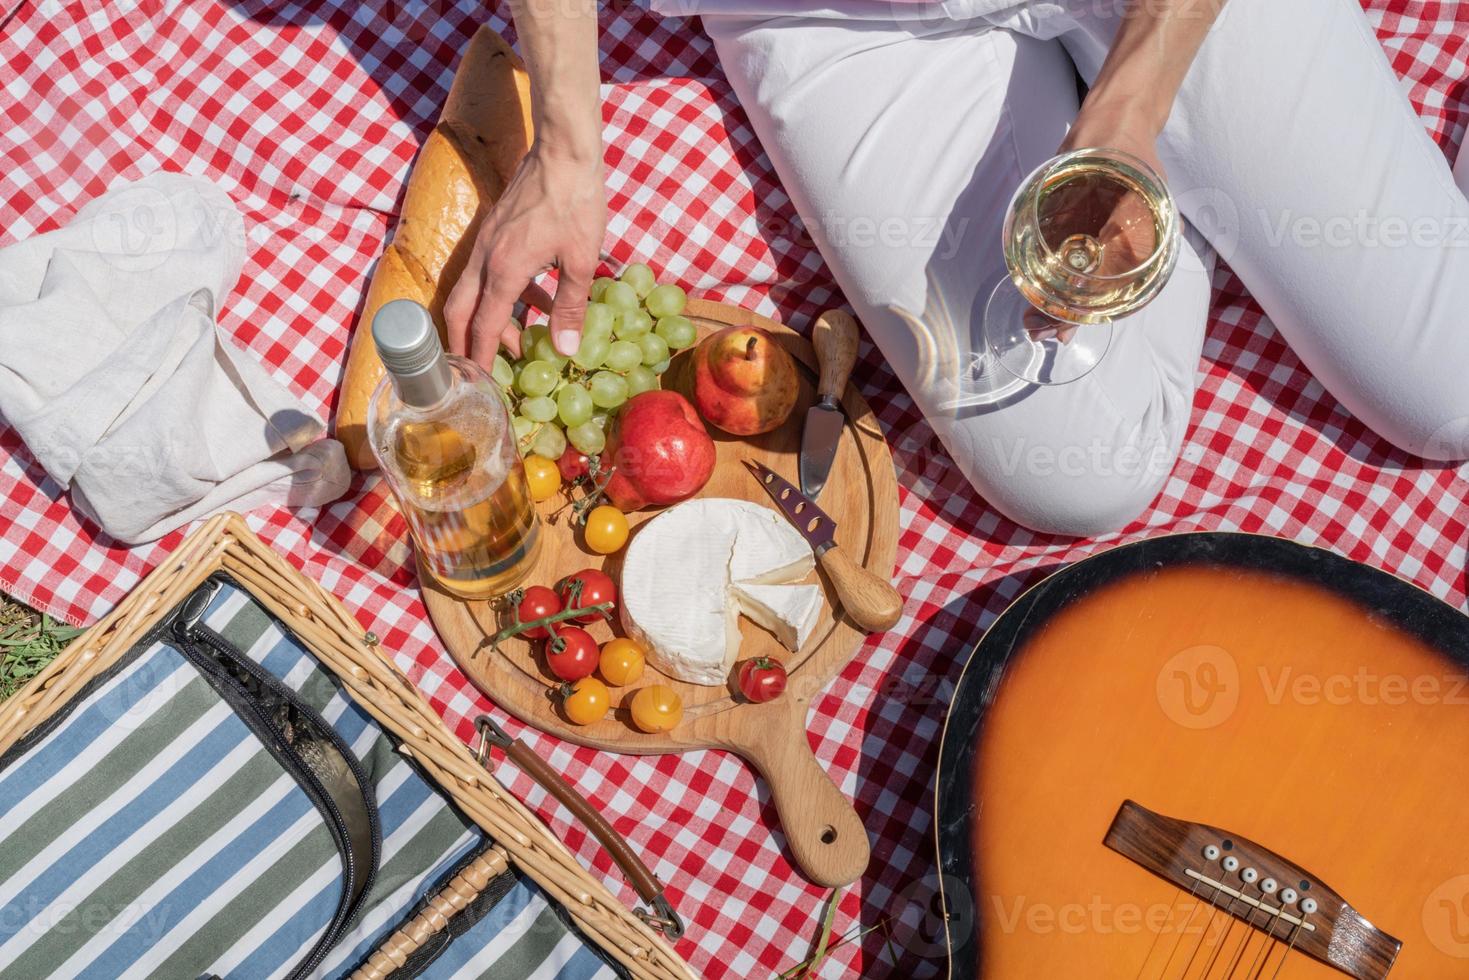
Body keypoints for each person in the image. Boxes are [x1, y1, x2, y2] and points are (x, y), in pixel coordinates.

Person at [444, 0, 1469, 537]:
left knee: (1448, 394)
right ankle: (1178, 183)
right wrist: (567, 144)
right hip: (836, 17)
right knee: (1076, 475)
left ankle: (1159, 140)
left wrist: (1133, 104)